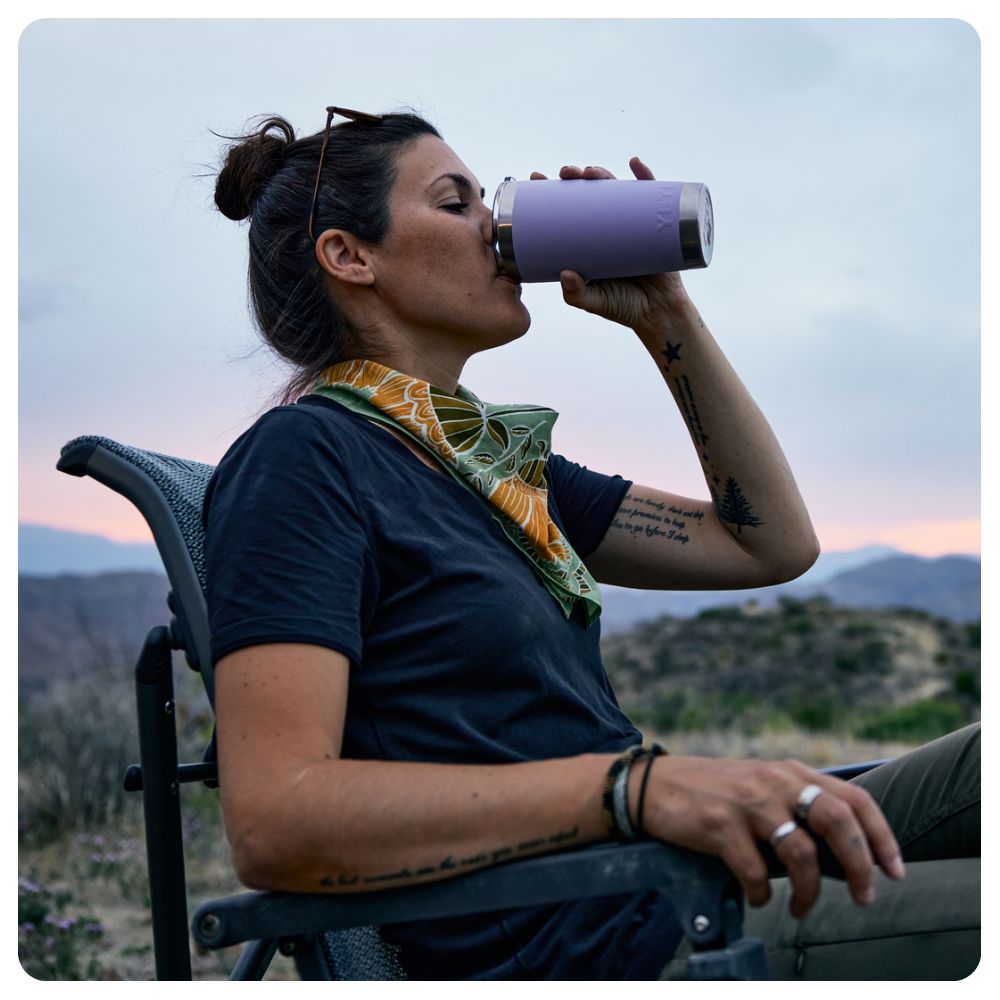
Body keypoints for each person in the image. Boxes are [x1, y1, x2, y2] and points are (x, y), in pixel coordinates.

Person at [203, 107, 980, 980]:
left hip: (667, 873)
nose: (498, 230)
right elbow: (276, 822)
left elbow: (767, 544)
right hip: (600, 936)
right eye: (458, 203)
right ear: (352, 256)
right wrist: (634, 789)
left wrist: (665, 315)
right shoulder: (307, 459)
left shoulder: (493, 465)